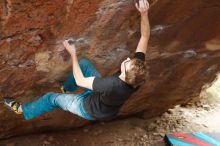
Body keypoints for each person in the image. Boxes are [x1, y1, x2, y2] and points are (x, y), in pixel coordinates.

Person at [3, 0, 150, 121]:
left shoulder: (111, 85)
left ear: (124, 75)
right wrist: (144, 13)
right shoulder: (136, 77)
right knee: (84, 64)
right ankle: (66, 89)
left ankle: (23, 110)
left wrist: (72, 53)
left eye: (126, 63)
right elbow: (145, 37)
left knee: (51, 98)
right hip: (102, 102)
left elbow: (80, 80)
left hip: (87, 108)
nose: (127, 59)